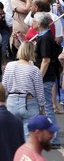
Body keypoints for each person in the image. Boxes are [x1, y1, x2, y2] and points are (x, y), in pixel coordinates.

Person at [3, 41, 45, 139]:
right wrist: (42, 107)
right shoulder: (34, 70)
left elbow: (4, 86)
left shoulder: (9, 66)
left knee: (12, 136)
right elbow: (39, 91)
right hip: (28, 102)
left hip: (11, 101)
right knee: (29, 137)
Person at [32, 12, 61, 148]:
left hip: (45, 78)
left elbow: (46, 60)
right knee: (41, 107)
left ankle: (53, 139)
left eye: (33, 22)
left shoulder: (45, 38)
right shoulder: (45, 36)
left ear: (38, 24)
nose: (32, 24)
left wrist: (38, 77)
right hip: (47, 77)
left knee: (47, 107)